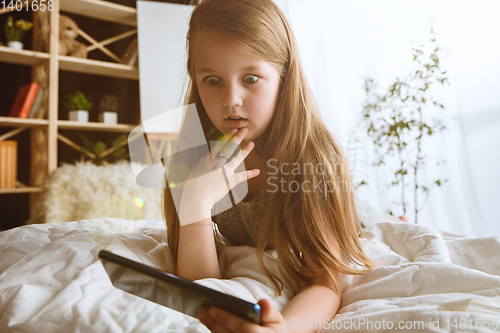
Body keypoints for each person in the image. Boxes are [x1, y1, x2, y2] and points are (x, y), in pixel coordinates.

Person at [163, 0, 376, 332]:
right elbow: (202, 287)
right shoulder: (193, 156)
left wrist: (285, 328)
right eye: (212, 80)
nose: (231, 99)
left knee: (373, 222)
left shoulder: (312, 158)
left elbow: (326, 282)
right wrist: (195, 205)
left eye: (250, 78)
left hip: (350, 213)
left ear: (283, 77)